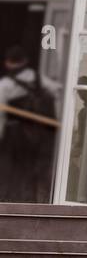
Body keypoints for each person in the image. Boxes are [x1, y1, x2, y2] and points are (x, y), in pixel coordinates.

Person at [0, 45, 58, 203]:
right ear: (25, 61)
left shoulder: (5, 84)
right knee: (32, 170)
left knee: (12, 171)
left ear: (7, 63)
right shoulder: (39, 79)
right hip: (39, 135)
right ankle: (30, 202)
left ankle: (11, 201)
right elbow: (58, 91)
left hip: (14, 135)